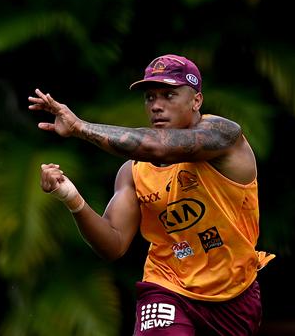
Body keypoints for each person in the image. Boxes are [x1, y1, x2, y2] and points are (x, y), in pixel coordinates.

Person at [28, 54, 274, 335]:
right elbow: (114, 244)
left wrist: (80, 127)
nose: (157, 106)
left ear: (196, 100)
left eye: (169, 95)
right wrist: (71, 198)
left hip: (235, 295)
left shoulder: (225, 136)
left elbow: (161, 147)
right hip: (166, 287)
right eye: (150, 97)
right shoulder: (133, 172)